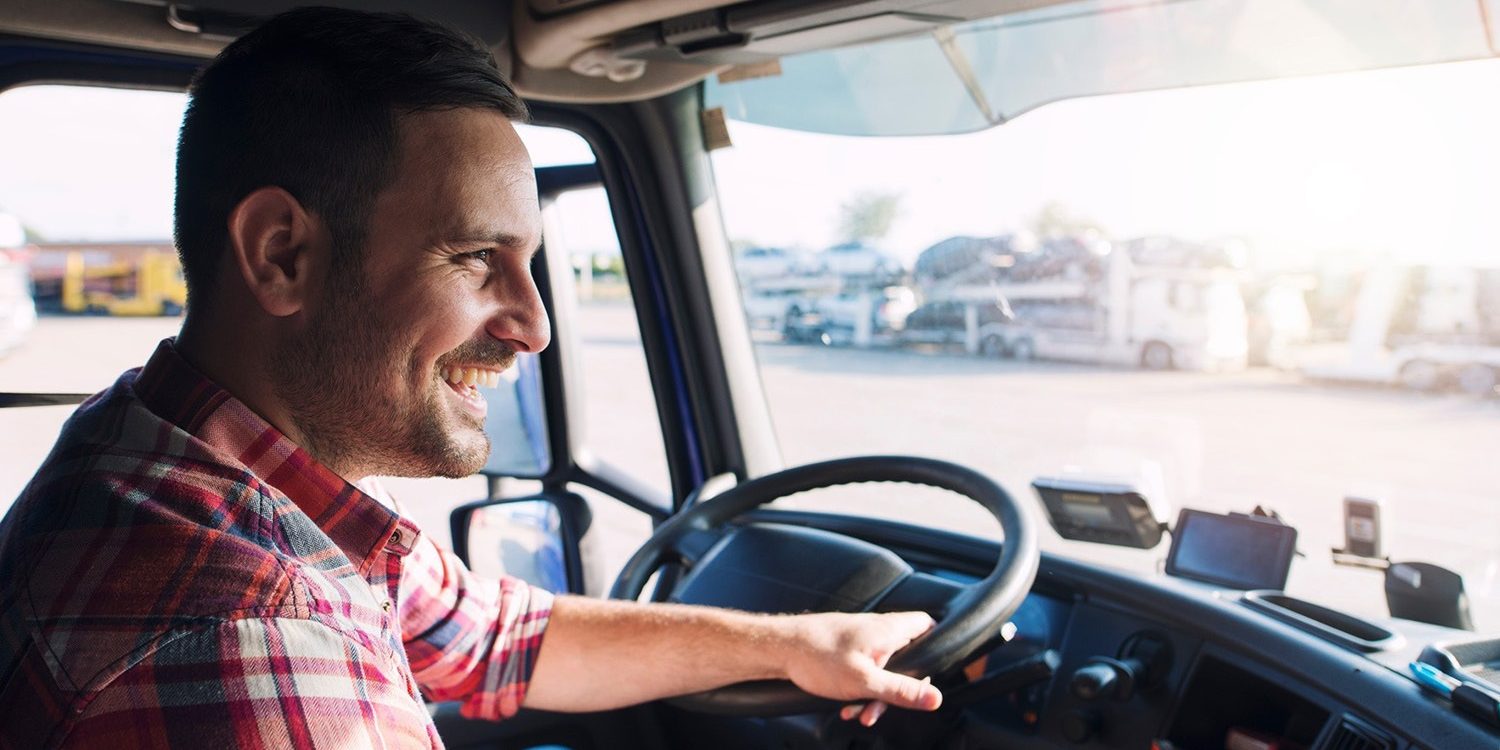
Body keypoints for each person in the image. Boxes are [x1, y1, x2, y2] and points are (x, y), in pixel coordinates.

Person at [0, 7, 941, 748]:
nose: (533, 327)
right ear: (280, 254)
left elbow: (494, 638)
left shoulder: (166, 447)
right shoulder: (251, 650)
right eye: (475, 257)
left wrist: (801, 644)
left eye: (529, 263)